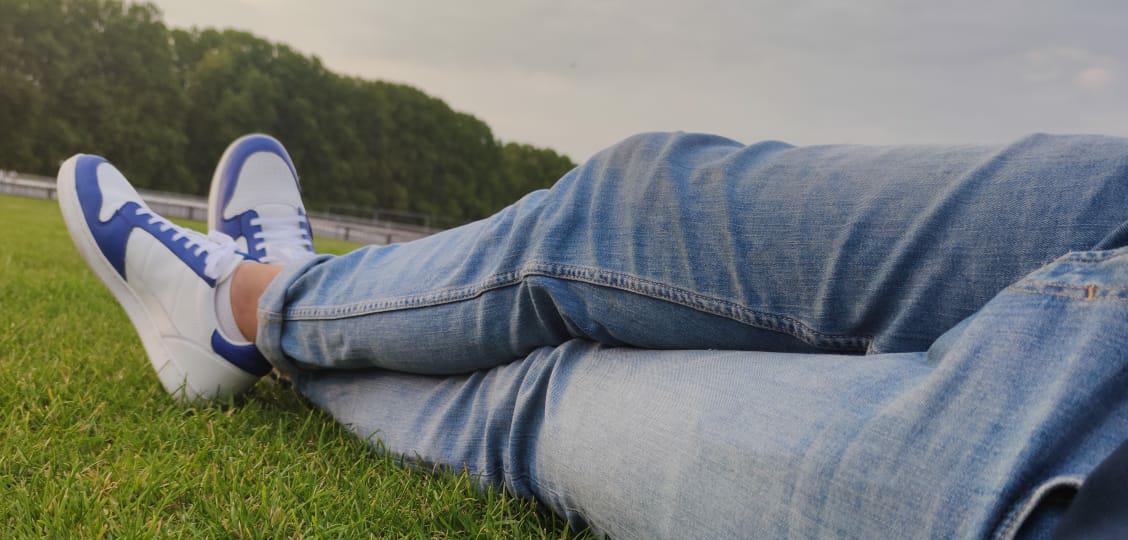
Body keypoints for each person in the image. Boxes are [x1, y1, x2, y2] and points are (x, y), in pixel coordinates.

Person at [57, 132, 1127, 539]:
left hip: (1073, 469)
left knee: (549, 396)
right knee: (625, 210)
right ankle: (275, 303)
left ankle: (248, 307)